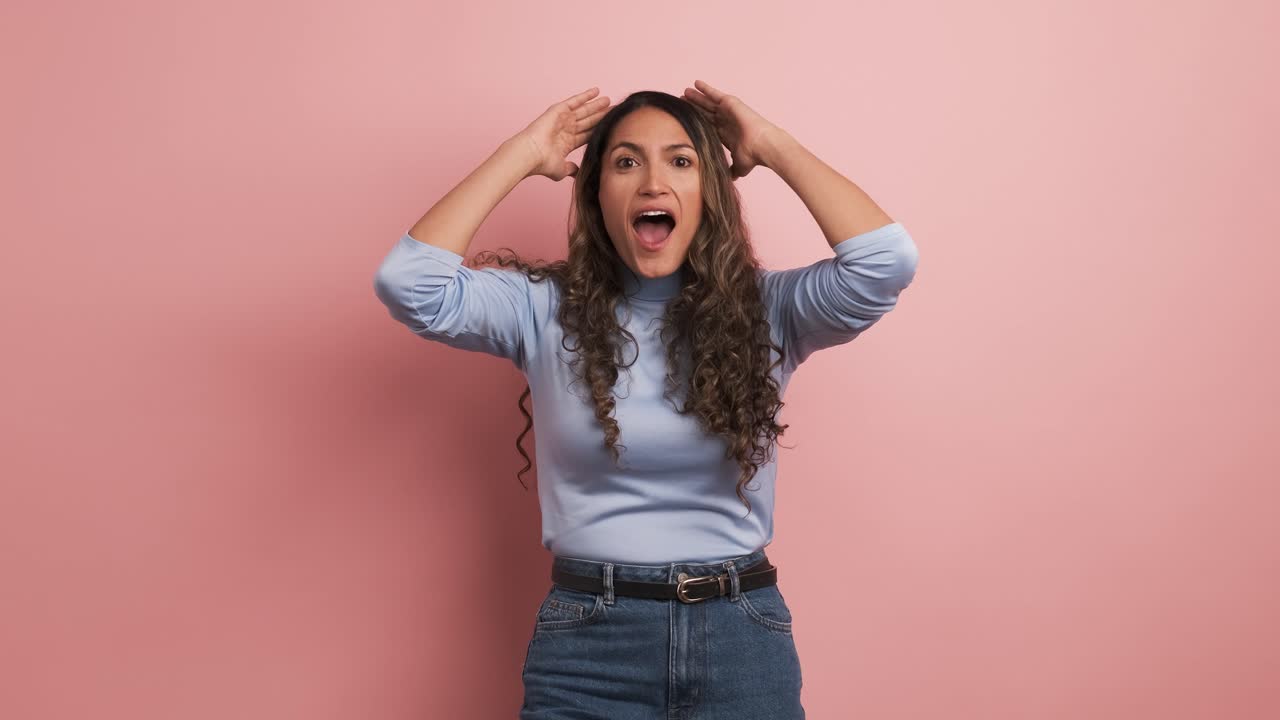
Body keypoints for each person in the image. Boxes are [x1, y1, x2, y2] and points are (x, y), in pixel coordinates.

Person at [373, 81, 919, 719]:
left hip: (740, 637)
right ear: (597, 194)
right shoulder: (540, 309)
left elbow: (885, 262)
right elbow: (409, 284)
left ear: (708, 194)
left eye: (681, 161)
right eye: (626, 162)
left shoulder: (769, 310)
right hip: (588, 646)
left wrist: (769, 144)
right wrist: (523, 151)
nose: (653, 183)